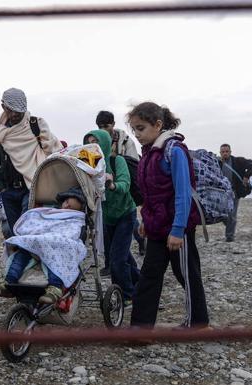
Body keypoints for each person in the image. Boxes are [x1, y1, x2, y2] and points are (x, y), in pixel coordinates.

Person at [127, 101, 209, 329]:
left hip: (177, 228)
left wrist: (178, 230)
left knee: (186, 274)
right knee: (149, 275)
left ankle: (198, 324)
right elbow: (151, 195)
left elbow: (183, 193)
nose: (137, 134)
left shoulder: (174, 151)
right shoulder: (148, 154)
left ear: (158, 124)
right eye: (134, 129)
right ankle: (140, 329)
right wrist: (145, 220)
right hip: (156, 227)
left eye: (141, 128)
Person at [0, 187, 87, 304]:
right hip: (39, 242)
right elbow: (39, 223)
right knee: (24, 248)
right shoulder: (51, 213)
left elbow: (71, 233)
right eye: (66, 202)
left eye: (70, 207)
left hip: (57, 245)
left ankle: (55, 289)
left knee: (57, 258)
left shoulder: (75, 219)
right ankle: (8, 283)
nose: (66, 207)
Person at [0, 88, 62, 234]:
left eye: (18, 110)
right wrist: (1, 185)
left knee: (26, 231)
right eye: (11, 110)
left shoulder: (36, 124)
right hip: (8, 190)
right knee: (12, 232)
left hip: (30, 188)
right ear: (3, 106)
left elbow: (55, 151)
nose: (15, 114)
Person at [83, 130, 139, 307]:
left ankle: (127, 295)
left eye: (96, 141)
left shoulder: (117, 161)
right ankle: (144, 285)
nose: (93, 145)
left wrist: (112, 184)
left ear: (105, 144)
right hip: (105, 219)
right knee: (124, 258)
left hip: (125, 214)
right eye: (89, 142)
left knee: (116, 259)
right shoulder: (87, 166)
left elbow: (125, 184)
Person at [95, 110, 144, 273]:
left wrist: (116, 163)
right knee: (112, 238)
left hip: (123, 191)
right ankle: (114, 265)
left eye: (106, 126)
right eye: (100, 126)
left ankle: (136, 250)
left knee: (124, 233)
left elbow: (133, 165)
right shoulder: (98, 141)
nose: (103, 129)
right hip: (107, 199)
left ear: (113, 125)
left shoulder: (125, 141)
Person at [219, 144, 252, 242]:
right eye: (222, 152)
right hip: (220, 193)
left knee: (232, 214)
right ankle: (229, 224)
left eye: (226, 151)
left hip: (234, 192)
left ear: (230, 152)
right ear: (220, 153)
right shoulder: (217, 163)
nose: (225, 153)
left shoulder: (238, 161)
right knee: (220, 214)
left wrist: (247, 176)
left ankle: (229, 236)